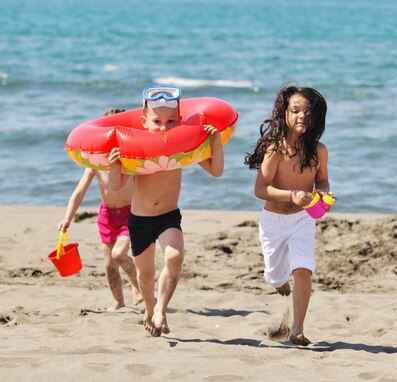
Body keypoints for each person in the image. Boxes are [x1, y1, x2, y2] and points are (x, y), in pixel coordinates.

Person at [109, 86, 224, 336]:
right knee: (146, 274)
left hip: (168, 217)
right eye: (157, 121)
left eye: (171, 121)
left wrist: (215, 142)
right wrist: (115, 166)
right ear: (144, 121)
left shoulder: (183, 149)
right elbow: (117, 186)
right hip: (140, 221)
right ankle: (150, 309)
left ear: (180, 120)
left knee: (174, 257)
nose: (164, 127)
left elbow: (216, 171)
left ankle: (161, 308)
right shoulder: (136, 151)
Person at [244, 85, 331, 346]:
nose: (302, 116)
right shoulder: (275, 149)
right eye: (295, 110)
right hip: (274, 221)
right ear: (284, 114)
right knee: (274, 275)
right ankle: (279, 281)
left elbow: (323, 181)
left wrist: (323, 196)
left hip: (303, 220)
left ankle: (298, 329)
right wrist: (292, 195)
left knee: (303, 269)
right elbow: (260, 189)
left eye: (308, 111)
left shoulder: (319, 151)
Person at [58, 108, 142, 312]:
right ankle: (118, 301)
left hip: (129, 214)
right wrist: (68, 218)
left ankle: (138, 287)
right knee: (109, 262)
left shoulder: (132, 160)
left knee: (119, 253)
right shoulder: (96, 162)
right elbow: (79, 191)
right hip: (107, 215)